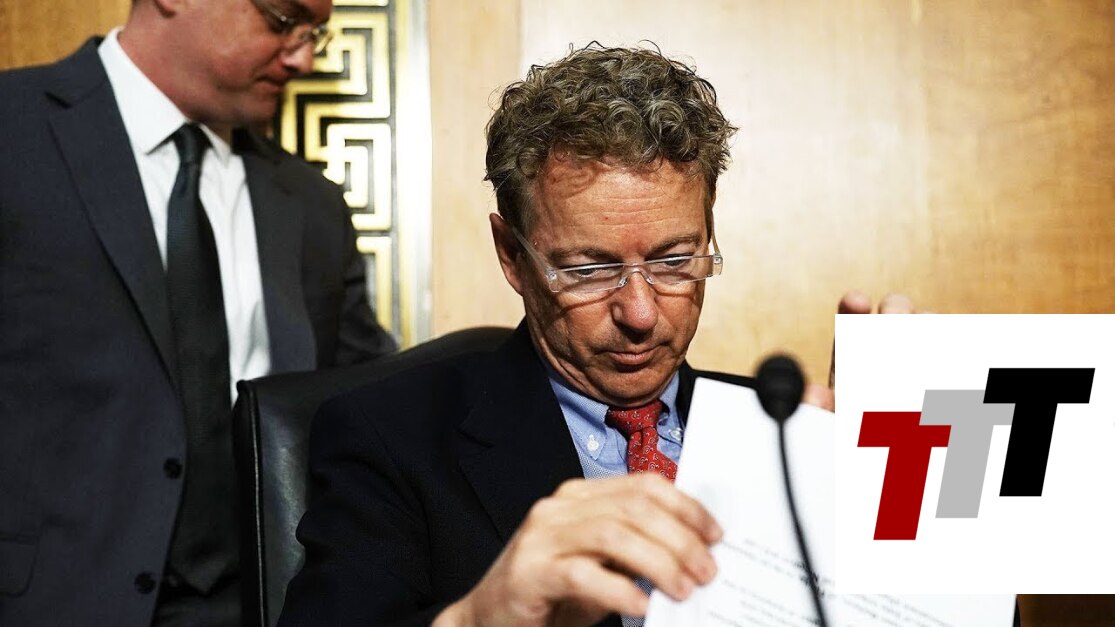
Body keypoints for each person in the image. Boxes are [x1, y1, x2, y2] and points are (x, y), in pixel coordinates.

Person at [278, 44, 910, 627]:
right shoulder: (390, 437)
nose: (640, 313)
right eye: (589, 270)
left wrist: (893, 507)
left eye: (674, 261)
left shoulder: (781, 435)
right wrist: (478, 618)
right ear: (513, 256)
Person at [0, 0, 396, 625]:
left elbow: (370, 405)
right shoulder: (14, 131)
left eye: (315, 32)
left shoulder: (313, 203)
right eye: (283, 20)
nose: (303, 57)